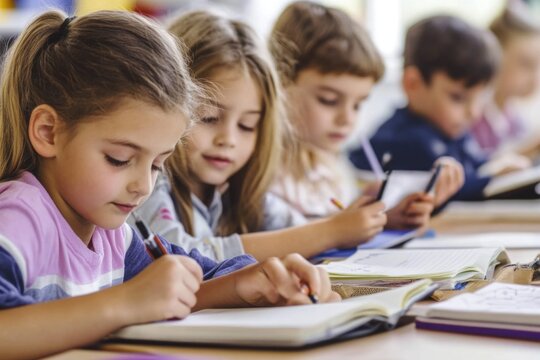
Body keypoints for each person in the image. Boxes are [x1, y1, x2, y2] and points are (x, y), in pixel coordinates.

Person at [0, 10, 338, 359]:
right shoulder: (19, 219)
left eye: (159, 164)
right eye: (119, 159)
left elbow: (188, 279)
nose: (143, 186)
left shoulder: (113, 235)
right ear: (48, 132)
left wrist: (247, 282)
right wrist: (125, 304)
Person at [136, 10, 388, 262]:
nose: (229, 139)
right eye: (209, 118)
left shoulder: (239, 187)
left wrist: (360, 221)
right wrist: (332, 232)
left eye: (247, 125)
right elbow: (180, 255)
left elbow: (294, 229)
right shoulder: (146, 183)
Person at [269, 2, 463, 222]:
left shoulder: (333, 167)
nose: (347, 119)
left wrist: (392, 217)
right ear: (280, 81)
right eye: (329, 100)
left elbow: (341, 226)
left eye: (358, 105)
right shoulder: (266, 174)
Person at [349, 15, 500, 201]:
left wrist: (499, 168)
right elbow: (455, 187)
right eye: (458, 98)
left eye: (481, 98)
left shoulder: (449, 129)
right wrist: (496, 174)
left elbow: (475, 163)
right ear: (413, 84)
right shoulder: (406, 140)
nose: (474, 112)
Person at [472, 1, 540, 161]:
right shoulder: (471, 116)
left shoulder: (516, 119)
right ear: (494, 58)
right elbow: (475, 168)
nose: (535, 77)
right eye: (526, 63)